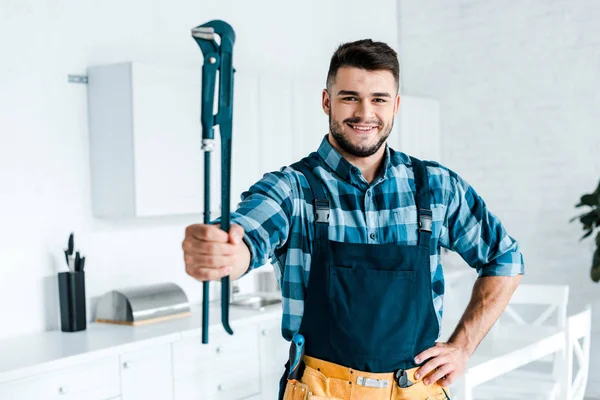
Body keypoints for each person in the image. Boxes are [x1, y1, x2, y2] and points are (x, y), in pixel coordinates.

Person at [182, 39, 524, 400]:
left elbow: (505, 258)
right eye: (349, 97)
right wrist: (221, 252)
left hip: (415, 391)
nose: (365, 113)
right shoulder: (293, 189)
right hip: (320, 392)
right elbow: (247, 236)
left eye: (378, 99)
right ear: (327, 101)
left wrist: (462, 346)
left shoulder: (437, 187)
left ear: (395, 105)